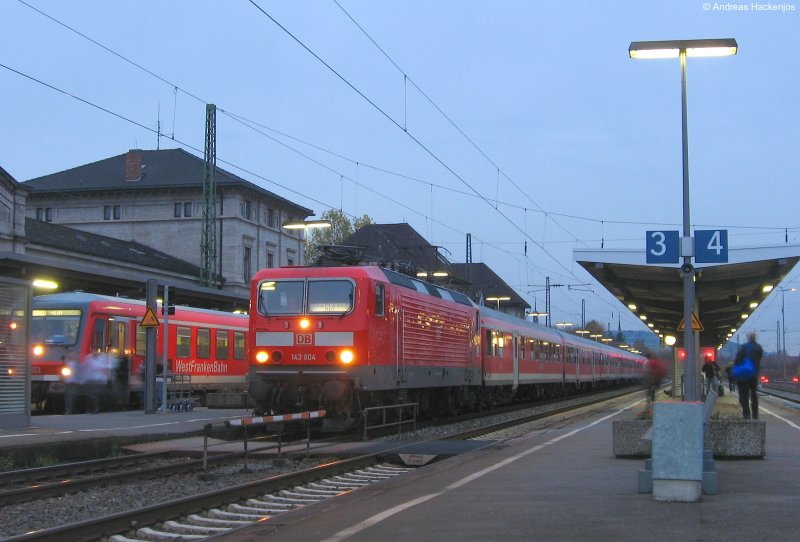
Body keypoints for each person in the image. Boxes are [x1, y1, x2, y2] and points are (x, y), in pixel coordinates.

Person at [733, 331, 763, 420]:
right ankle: (755, 415)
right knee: (754, 394)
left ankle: (746, 414)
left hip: (743, 376)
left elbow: (737, 360)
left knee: (743, 395)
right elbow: (759, 360)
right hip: (753, 375)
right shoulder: (759, 348)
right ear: (755, 338)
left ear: (748, 338)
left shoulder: (743, 347)